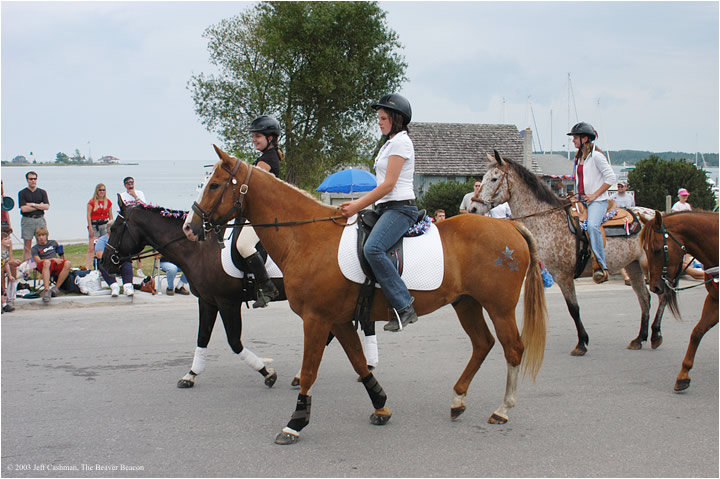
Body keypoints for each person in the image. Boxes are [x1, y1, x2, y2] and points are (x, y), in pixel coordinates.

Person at [340, 93, 418, 332]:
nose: (379, 122)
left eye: (383, 118)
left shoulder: (401, 142)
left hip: (400, 208)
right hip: (384, 208)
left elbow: (388, 185)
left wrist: (357, 206)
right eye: (379, 118)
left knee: (372, 248)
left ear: (396, 118)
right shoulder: (388, 143)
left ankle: (404, 305)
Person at [232, 115, 283, 308]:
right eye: (253, 136)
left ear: (270, 138)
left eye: (258, 136)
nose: (254, 139)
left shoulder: (267, 161)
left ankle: (267, 286)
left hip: (264, 215)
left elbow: (249, 186)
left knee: (244, 245)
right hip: (257, 212)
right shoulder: (264, 158)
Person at [568, 121, 616, 284]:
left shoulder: (596, 156)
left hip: (597, 201)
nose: (573, 140)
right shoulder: (579, 157)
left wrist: (595, 195)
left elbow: (611, 178)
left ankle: (601, 265)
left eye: (575, 137)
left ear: (585, 138)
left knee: (593, 225)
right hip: (581, 200)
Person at [31, 226, 71, 303]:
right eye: (39, 236)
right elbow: (38, 261)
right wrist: (52, 259)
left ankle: (56, 288)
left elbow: (61, 254)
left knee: (68, 263)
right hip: (43, 265)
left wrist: (60, 259)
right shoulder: (35, 248)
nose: (41, 237)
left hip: (55, 264)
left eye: (43, 235)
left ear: (47, 236)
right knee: (47, 262)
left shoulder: (53, 243)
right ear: (36, 237)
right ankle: (46, 290)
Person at [95, 225, 134, 297]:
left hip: (120, 261)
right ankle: (114, 287)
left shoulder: (122, 239)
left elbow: (127, 251)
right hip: (108, 263)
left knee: (127, 261)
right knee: (101, 263)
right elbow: (99, 255)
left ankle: (127, 287)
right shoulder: (102, 240)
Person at [18, 171, 49, 261]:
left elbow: (46, 206)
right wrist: (39, 206)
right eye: (31, 179)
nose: (33, 181)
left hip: (40, 219)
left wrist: (33, 205)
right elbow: (23, 209)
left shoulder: (42, 192)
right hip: (28, 220)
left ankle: (43, 265)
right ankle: (27, 269)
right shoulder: (22, 193)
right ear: (27, 180)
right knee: (27, 244)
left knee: (42, 242)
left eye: (35, 179)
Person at [119, 177, 146, 276]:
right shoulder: (122, 195)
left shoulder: (139, 193)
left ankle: (139, 269)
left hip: (138, 222)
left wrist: (135, 196)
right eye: (128, 183)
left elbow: (144, 206)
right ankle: (126, 266)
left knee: (139, 246)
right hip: (128, 222)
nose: (130, 185)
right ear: (125, 185)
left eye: (131, 183)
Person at [85, 183, 113, 270]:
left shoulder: (108, 202)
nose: (102, 192)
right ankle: (87, 267)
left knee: (105, 246)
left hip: (104, 225)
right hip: (95, 225)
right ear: (97, 191)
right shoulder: (92, 202)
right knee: (92, 247)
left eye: (103, 190)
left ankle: (105, 266)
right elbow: (88, 215)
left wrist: (111, 227)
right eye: (100, 190)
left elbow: (110, 215)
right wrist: (90, 227)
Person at [2, 227, 17, 312]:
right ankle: (4, 293)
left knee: (12, 266)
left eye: (9, 238)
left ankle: (9, 293)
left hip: (3, 264)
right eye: (6, 238)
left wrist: (14, 262)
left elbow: (8, 261)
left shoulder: (6, 248)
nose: (9, 240)